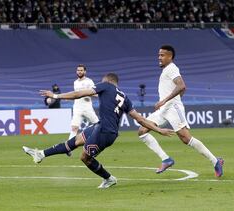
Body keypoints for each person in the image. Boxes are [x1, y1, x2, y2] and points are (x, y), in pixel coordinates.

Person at [23, 73, 174, 189]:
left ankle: (109, 179)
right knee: (74, 142)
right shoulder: (125, 98)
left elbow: (79, 94)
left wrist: (56, 96)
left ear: (107, 80)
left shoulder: (105, 86)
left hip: (105, 132)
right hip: (102, 127)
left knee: (85, 158)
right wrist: (158, 130)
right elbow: (140, 119)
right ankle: (41, 154)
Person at [137, 45, 224, 177]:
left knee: (185, 138)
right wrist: (166, 102)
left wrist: (165, 101)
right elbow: (183, 89)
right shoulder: (167, 69)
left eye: (162, 55)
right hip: (164, 109)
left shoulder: (172, 68)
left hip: (172, 108)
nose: (159, 57)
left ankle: (215, 161)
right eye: (159, 55)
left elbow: (181, 85)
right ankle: (166, 159)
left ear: (170, 56)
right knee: (142, 130)